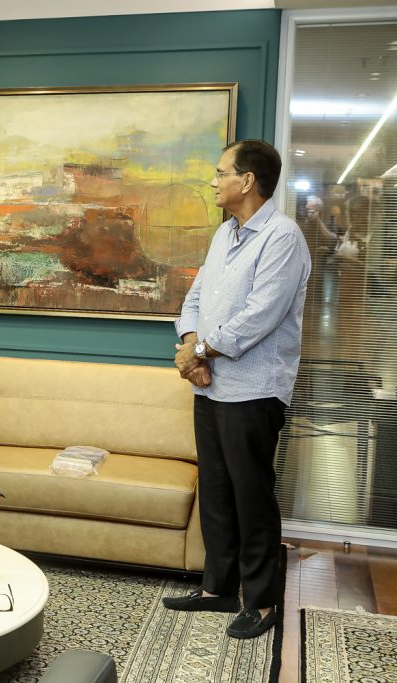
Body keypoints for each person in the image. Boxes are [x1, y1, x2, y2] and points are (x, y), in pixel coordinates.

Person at [163, 139, 310, 639]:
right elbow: (196, 298)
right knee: (217, 490)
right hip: (210, 385)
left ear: (246, 181)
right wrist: (193, 348)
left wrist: (200, 353)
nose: (213, 181)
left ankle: (262, 602)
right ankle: (218, 589)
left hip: (254, 389)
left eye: (221, 172)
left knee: (251, 496)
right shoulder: (225, 233)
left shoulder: (283, 237)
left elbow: (260, 316)